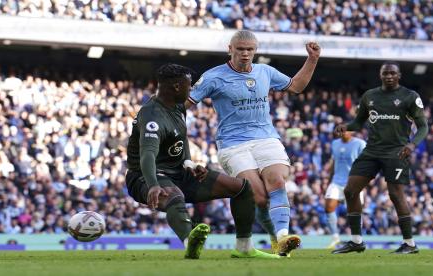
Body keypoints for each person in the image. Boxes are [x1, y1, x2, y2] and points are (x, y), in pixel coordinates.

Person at [186, 30, 321, 256]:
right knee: (257, 196)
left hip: (266, 138)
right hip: (233, 144)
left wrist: (312, 59)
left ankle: (281, 238)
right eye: (240, 49)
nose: (245, 54)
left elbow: (296, 86)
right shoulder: (213, 76)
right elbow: (185, 104)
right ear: (230, 49)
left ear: (255, 51)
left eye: (250, 49)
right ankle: (273, 237)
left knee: (277, 181)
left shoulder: (264, 71)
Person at [125, 63, 279, 259]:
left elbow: (180, 140)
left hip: (179, 173)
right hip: (146, 175)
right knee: (173, 195)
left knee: (242, 188)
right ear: (176, 87)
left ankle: (244, 247)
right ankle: (191, 243)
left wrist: (188, 164)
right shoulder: (152, 116)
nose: (192, 90)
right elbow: (147, 154)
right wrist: (153, 185)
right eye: (189, 85)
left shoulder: (177, 108)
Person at [332, 61, 428, 254]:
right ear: (380, 75)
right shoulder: (370, 96)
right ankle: (356, 241)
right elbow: (359, 122)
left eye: (393, 73)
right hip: (372, 151)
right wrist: (346, 127)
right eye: (385, 73)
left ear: (399, 75)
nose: (389, 76)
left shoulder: (410, 96)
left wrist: (412, 144)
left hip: (397, 151)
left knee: (395, 195)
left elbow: (423, 126)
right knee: (350, 191)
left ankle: (409, 244)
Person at [324, 131, 366, 249]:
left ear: (352, 131)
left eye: (345, 130)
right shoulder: (335, 143)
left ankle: (357, 239)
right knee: (329, 207)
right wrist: (328, 179)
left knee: (355, 212)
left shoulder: (360, 143)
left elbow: (365, 162)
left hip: (353, 182)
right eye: (340, 130)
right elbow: (334, 161)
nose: (342, 133)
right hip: (336, 181)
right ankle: (335, 238)